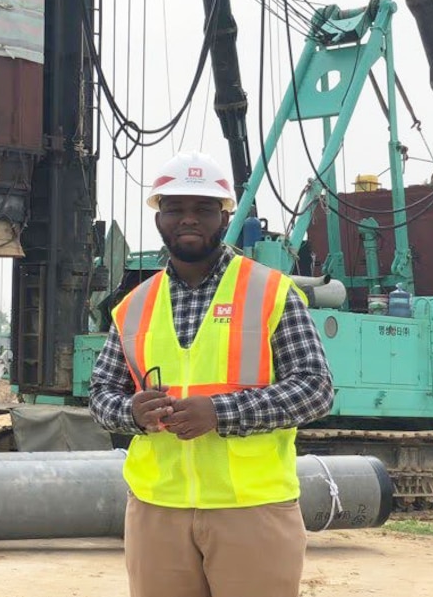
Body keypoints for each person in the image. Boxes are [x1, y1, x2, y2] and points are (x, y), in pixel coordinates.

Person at [89, 151, 334, 597]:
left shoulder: (271, 291)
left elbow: (315, 389)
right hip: (156, 509)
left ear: (223, 217)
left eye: (202, 209)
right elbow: (102, 393)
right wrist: (132, 412)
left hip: (251, 509)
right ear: (159, 217)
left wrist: (221, 413)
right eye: (175, 209)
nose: (188, 220)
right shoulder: (133, 305)